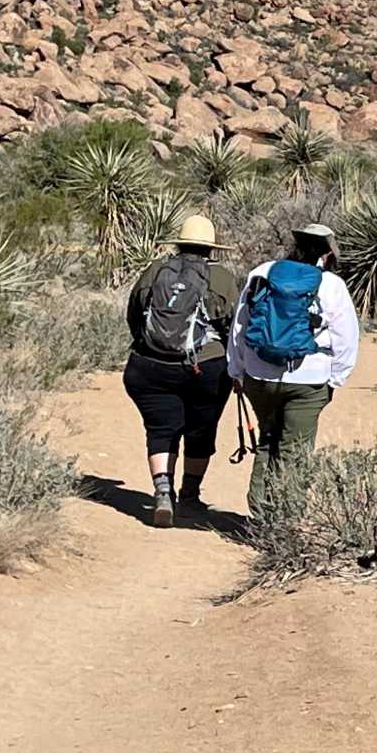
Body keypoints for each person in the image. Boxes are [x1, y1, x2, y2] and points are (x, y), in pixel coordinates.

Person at [227, 222, 361, 516]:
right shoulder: (331, 284)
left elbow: (240, 324)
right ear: (327, 253)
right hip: (309, 378)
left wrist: (236, 370)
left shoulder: (262, 272)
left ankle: (261, 513)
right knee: (294, 451)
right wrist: (335, 379)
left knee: (267, 440)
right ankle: (287, 520)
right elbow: (346, 336)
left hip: (258, 373)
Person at [123, 214, 239, 527]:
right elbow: (233, 325)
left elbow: (134, 313)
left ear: (179, 243)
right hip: (205, 367)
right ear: (210, 248)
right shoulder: (222, 277)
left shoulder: (155, 270)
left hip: (149, 366)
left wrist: (146, 345)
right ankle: (189, 497)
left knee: (161, 429)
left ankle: (162, 493)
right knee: (201, 430)